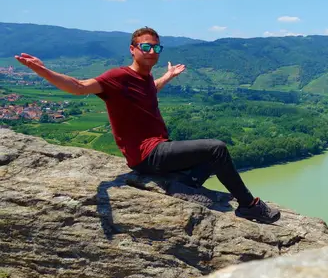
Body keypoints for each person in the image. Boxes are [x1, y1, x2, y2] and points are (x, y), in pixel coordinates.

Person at [14, 26, 281, 224]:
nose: (152, 51)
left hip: (158, 150)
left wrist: (167, 76)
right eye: (146, 47)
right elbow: (78, 87)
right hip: (146, 155)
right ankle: (248, 205)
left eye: (156, 48)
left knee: (215, 157)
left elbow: (150, 90)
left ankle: (180, 183)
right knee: (216, 149)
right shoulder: (117, 77)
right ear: (133, 49)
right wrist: (42, 70)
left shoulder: (145, 78)